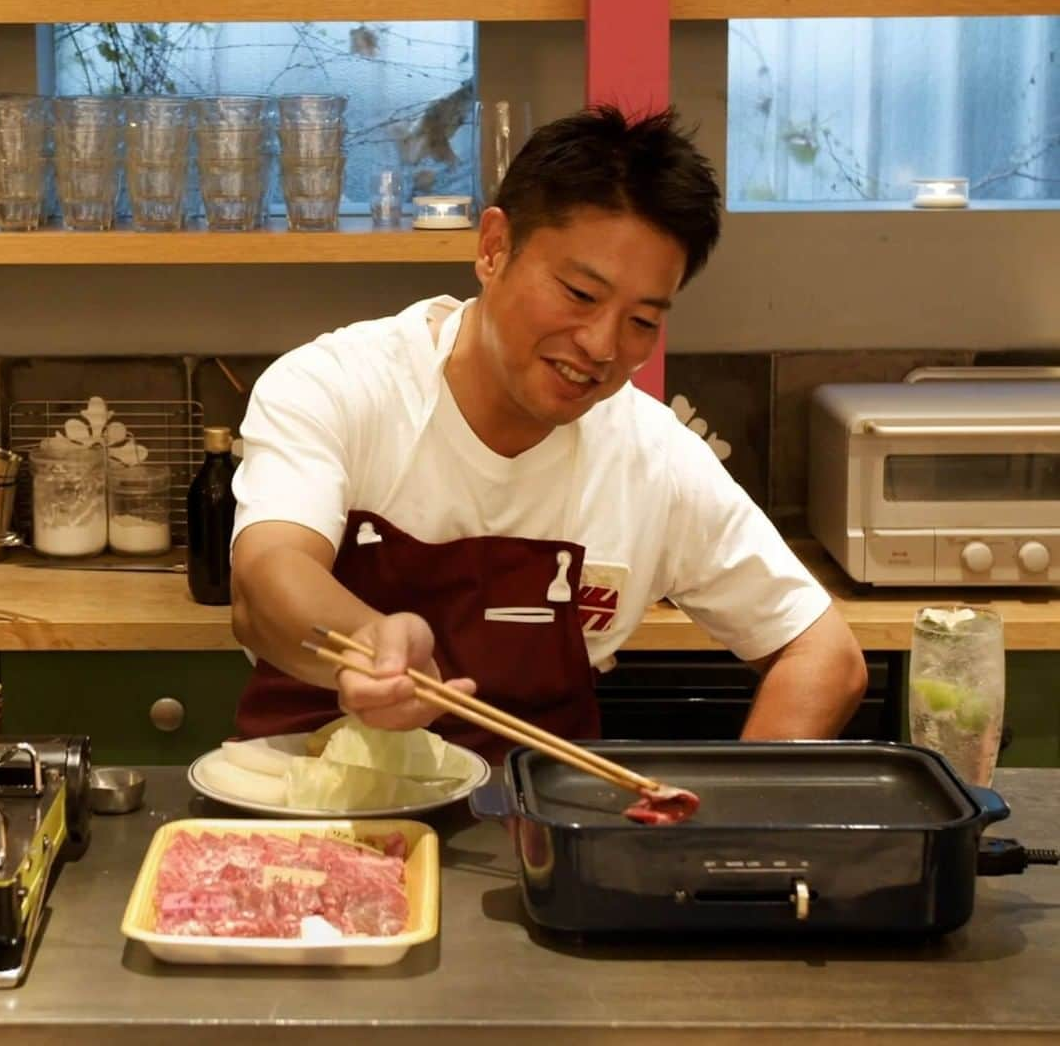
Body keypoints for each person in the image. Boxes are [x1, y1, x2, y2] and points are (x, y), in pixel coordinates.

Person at [230, 104, 868, 762]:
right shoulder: (338, 386)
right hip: (301, 816)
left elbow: (824, 654)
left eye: (642, 321)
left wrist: (737, 818)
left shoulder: (653, 457)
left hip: (532, 837)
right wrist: (370, 644)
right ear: (493, 247)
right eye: (580, 295)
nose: (601, 346)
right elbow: (266, 577)